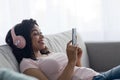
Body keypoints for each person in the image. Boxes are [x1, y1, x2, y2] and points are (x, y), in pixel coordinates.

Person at [5, 19, 120, 80]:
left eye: (41, 33)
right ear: (21, 41)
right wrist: (70, 61)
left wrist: (76, 59)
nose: (42, 36)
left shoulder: (48, 53)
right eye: (36, 34)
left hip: (95, 76)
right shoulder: (27, 64)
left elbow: (75, 72)